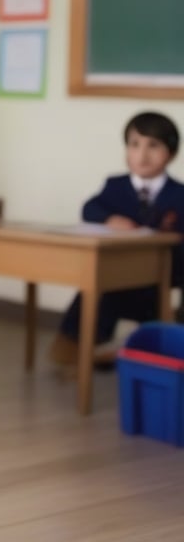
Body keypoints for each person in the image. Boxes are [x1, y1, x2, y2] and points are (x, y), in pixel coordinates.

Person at [49, 111, 184, 367]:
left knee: (151, 310)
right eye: (134, 145)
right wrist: (110, 219)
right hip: (119, 273)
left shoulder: (178, 194)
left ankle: (144, 354)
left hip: (162, 275)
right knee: (95, 288)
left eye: (153, 146)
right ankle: (75, 349)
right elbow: (90, 208)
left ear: (172, 153)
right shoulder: (115, 185)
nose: (142, 155)